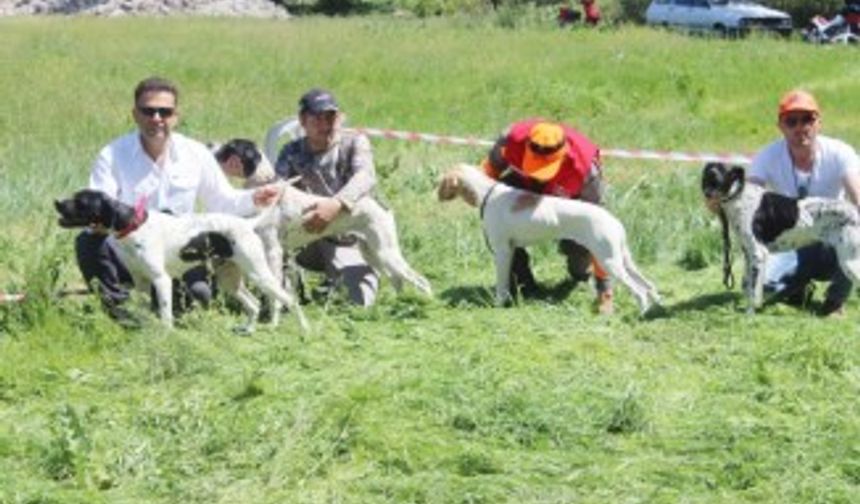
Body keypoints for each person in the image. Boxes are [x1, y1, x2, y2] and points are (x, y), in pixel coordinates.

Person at [76, 76, 281, 324]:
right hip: (129, 252)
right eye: (148, 111)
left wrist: (255, 198)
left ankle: (165, 302)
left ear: (176, 116)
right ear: (135, 114)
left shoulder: (195, 153)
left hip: (178, 251)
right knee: (88, 242)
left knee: (198, 298)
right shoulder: (112, 155)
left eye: (165, 111)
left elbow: (223, 202)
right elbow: (100, 204)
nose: (156, 118)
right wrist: (96, 222)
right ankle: (121, 315)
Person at [481, 118, 613, 314]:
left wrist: (604, 290)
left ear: (563, 155)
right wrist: (487, 208)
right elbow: (487, 176)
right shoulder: (509, 142)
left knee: (578, 250)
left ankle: (580, 273)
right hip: (520, 189)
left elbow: (597, 228)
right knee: (498, 222)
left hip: (567, 202)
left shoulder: (585, 171)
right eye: (534, 165)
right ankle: (523, 285)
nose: (537, 174)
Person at [748, 89, 860, 316]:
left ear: (819, 123)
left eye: (808, 119)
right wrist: (722, 202)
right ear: (780, 126)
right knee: (764, 287)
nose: (800, 127)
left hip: (833, 238)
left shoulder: (840, 152)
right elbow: (748, 199)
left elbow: (857, 196)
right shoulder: (767, 156)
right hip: (793, 240)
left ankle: (835, 301)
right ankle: (798, 288)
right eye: (792, 121)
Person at [273, 88, 380, 306]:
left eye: (331, 117)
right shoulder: (291, 152)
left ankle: (343, 277)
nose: (325, 124)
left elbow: (365, 176)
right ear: (303, 121)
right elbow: (278, 188)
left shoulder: (354, 143)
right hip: (306, 235)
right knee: (271, 238)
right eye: (317, 118)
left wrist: (336, 204)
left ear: (339, 118)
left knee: (359, 302)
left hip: (347, 238)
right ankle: (283, 293)